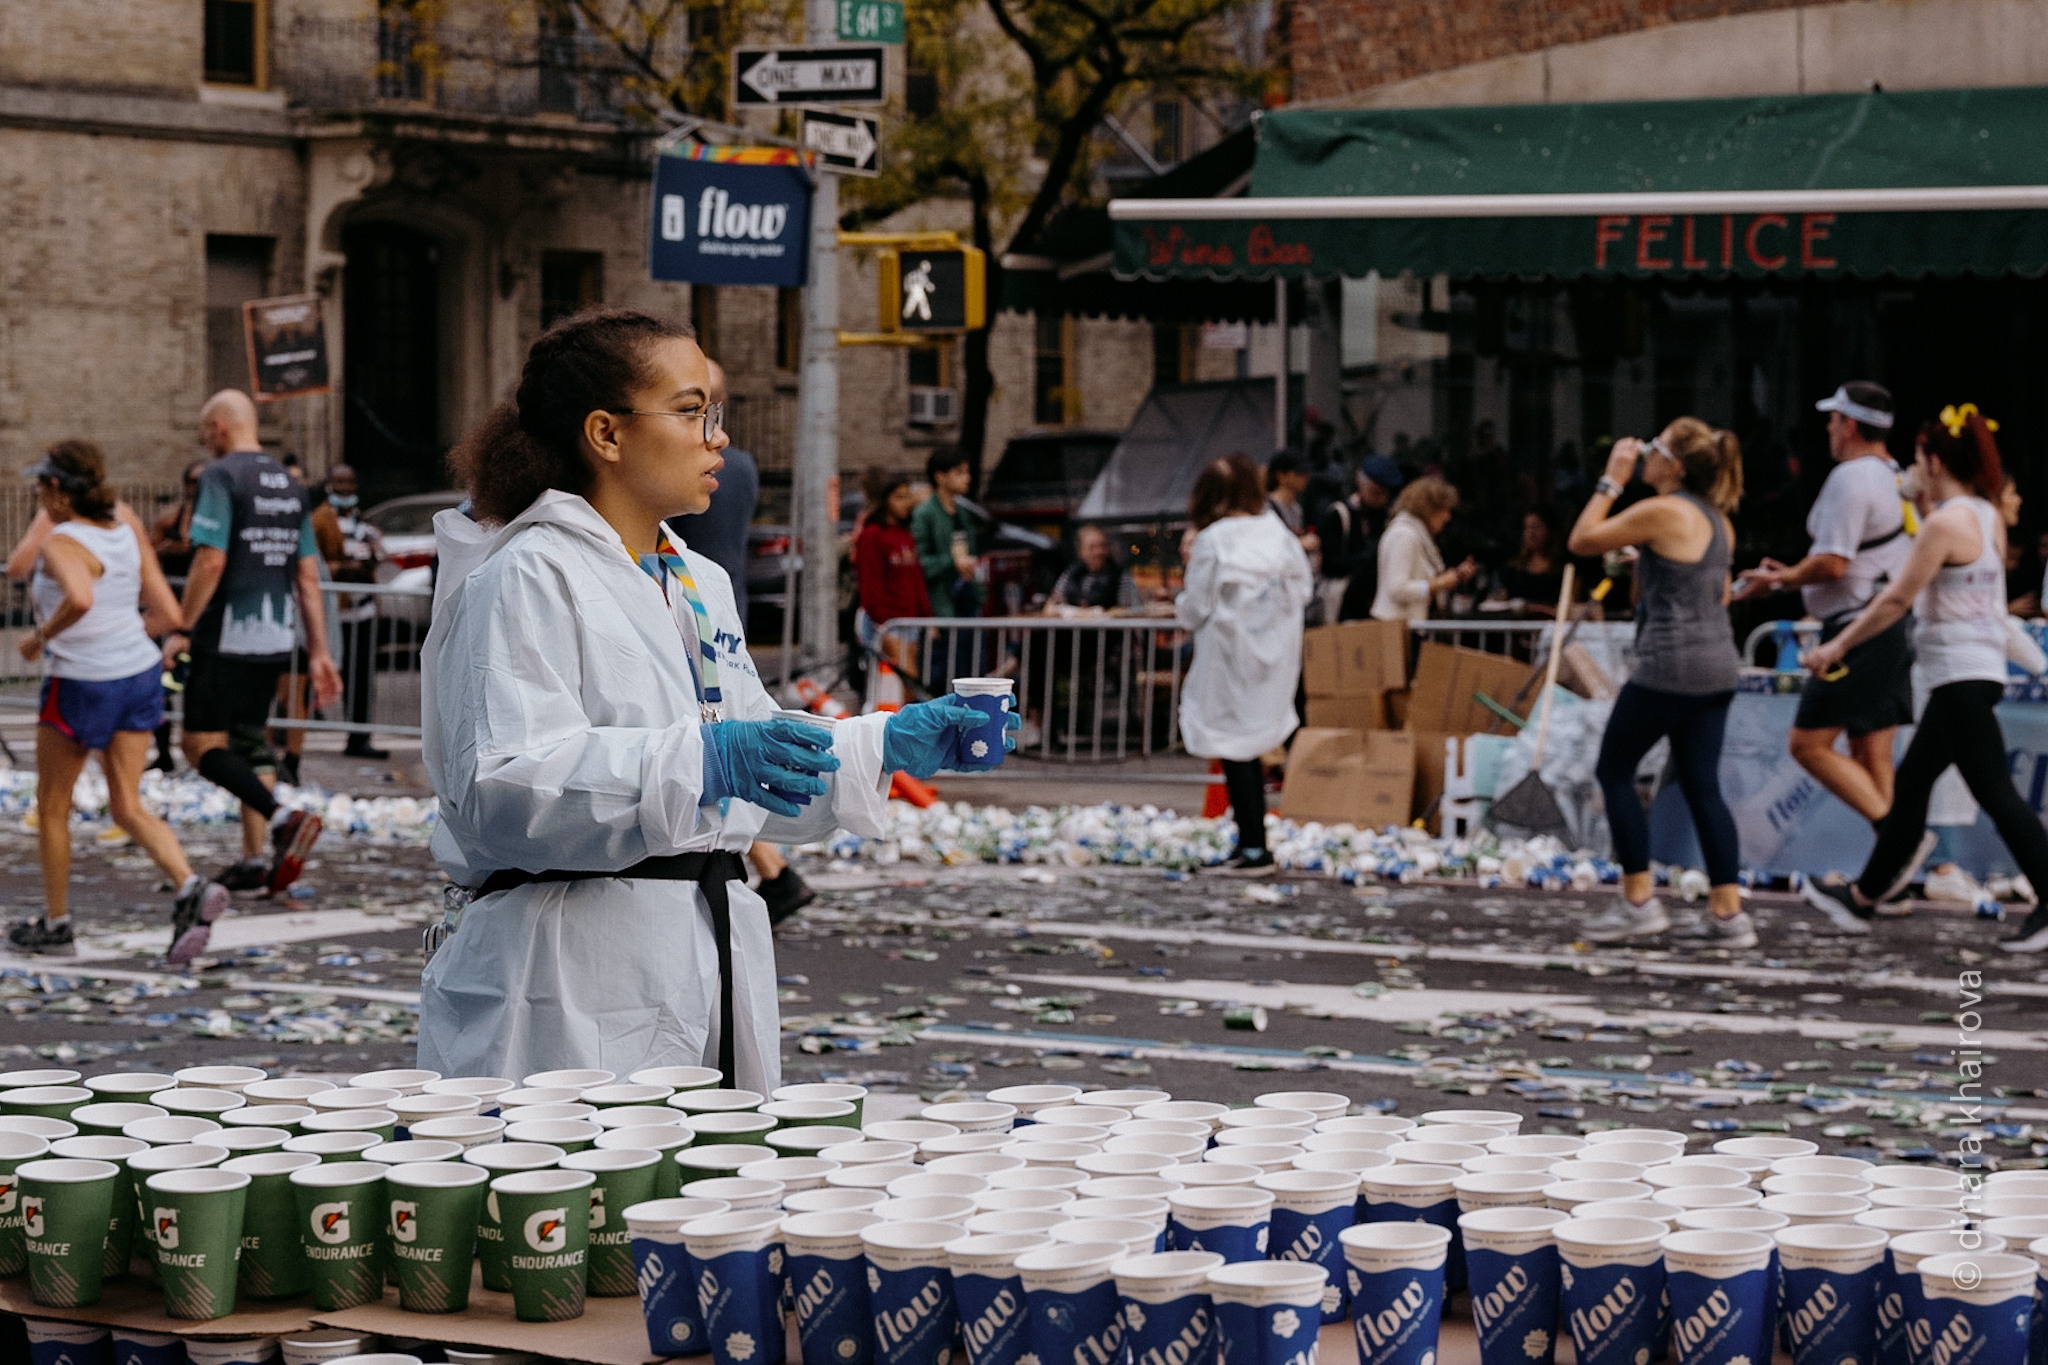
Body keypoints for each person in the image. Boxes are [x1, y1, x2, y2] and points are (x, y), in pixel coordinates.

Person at [416, 307, 1006, 1085]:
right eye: (693, 411)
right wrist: (701, 759)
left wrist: (879, 745)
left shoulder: (694, 578)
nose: (717, 436)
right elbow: (503, 786)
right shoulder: (526, 575)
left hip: (701, 947)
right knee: (593, 1195)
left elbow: (754, 764)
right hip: (565, 967)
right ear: (607, 433)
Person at [1798, 407, 2048, 954]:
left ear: (1933, 461)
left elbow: (1895, 599)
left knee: (1996, 794)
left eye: (1917, 460)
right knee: (1910, 789)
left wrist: (1837, 645)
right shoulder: (1985, 516)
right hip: (1973, 671)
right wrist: (1920, 504)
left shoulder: (1944, 524)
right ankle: (1864, 896)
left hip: (1957, 673)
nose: (1911, 468)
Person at [4, 441, 229, 960]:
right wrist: (123, 634)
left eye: (41, 486)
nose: (37, 495)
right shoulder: (125, 530)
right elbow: (169, 612)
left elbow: (80, 598)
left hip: (82, 681)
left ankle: (57, 923)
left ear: (59, 492)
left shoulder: (59, 541)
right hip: (136, 672)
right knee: (127, 803)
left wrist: (42, 637)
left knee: (53, 805)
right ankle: (190, 884)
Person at [1568, 419, 1753, 946]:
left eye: (1653, 449)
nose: (1644, 454)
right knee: (1702, 785)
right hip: (1718, 664)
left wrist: (1611, 479)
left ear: (1672, 465)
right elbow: (1717, 593)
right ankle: (1728, 913)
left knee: (1615, 770)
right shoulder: (1719, 521)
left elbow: (1581, 539)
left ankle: (1639, 900)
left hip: (1670, 664)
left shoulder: (1661, 509)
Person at [170, 390, 339, 912]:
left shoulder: (221, 475)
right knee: (250, 743)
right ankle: (254, 856)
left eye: (205, 431)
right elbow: (307, 577)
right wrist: (319, 651)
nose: (205, 439)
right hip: (273, 637)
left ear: (219, 427)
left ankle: (282, 816)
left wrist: (180, 624)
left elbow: (211, 561)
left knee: (198, 748)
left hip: (224, 633)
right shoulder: (289, 485)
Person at [1734, 382, 1916, 838]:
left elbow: (1835, 562)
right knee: (1872, 758)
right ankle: (1889, 878)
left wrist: (1780, 579)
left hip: (1858, 630)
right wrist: (1792, 574)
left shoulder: (1851, 477)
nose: (1829, 430)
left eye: (1833, 421)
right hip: (1890, 628)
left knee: (1807, 745)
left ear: (1850, 425)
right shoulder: (1896, 475)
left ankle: (1897, 839)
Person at [666, 362, 806, 922]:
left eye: (700, 411)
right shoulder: (744, 467)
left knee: (711, 754)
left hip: (689, 611)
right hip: (724, 609)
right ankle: (773, 869)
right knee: (721, 748)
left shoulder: (702, 478)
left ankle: (772, 869)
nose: (713, 435)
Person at [1177, 453, 1313, 876]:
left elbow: (1194, 608)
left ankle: (1252, 845)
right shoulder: (1278, 535)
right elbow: (1303, 589)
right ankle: (1253, 842)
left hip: (1227, 663)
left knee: (1236, 755)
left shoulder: (1213, 541)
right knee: (1251, 751)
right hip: (1272, 660)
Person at [310, 463, 388, 761]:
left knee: (362, 677)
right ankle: (286, 727)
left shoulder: (362, 521)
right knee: (318, 669)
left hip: (363, 609)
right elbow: (311, 565)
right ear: (329, 485)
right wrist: (344, 567)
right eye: (339, 482)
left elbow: (379, 555)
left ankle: (359, 737)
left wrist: (373, 552)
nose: (345, 488)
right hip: (334, 611)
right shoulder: (319, 520)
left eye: (349, 482)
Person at [147, 460, 209, 772]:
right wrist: (168, 549)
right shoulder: (169, 519)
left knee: (202, 686)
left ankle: (202, 755)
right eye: (193, 481)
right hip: (170, 615)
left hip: (203, 616)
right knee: (164, 686)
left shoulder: (220, 520)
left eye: (204, 481)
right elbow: (146, 558)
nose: (198, 488)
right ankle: (163, 752)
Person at [911, 447, 987, 684]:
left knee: (972, 668)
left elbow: (970, 551)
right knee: (944, 673)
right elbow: (919, 563)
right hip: (942, 604)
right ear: (940, 476)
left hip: (966, 598)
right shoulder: (926, 514)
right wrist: (951, 562)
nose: (967, 477)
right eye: (959, 472)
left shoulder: (962, 513)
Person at [853, 468, 931, 675]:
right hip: (887, 623)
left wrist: (927, 616)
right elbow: (870, 584)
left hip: (910, 621)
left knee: (907, 682)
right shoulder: (872, 536)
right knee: (904, 678)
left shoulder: (905, 535)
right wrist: (882, 623)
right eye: (899, 497)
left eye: (907, 497)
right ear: (885, 500)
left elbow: (916, 579)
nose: (905, 503)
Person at [1371, 475, 1476, 622]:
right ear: (1429, 508)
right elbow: (1397, 588)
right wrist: (1439, 583)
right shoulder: (1405, 535)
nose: (1448, 517)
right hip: (1399, 627)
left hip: (1408, 625)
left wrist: (1455, 576)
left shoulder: (1416, 535)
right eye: (1444, 509)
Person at [1314, 454, 1403, 622]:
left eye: (1384, 493)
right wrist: (1365, 560)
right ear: (1360, 482)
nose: (1380, 498)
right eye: (1375, 492)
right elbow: (1329, 564)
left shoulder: (1388, 517)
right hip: (1345, 603)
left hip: (1376, 603)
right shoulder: (1339, 514)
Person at [1045, 525, 1141, 613]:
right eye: (1092, 547)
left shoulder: (1120, 576)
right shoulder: (1071, 574)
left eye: (1103, 546)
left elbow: (1129, 610)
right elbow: (1051, 605)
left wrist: (1103, 614)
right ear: (1081, 551)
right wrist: (1071, 612)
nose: (1099, 552)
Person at [1493, 508, 1566, 614]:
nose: (1531, 533)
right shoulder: (1513, 569)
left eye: (1536, 527)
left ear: (1549, 530)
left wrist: (1530, 607)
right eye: (1526, 528)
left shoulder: (1564, 569)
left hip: (1550, 627)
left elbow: (1569, 608)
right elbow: (1502, 603)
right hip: (1516, 628)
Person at [1265, 451, 1310, 536]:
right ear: (1281, 476)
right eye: (1299, 473)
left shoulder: (1297, 509)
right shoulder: (1267, 508)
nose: (1306, 477)